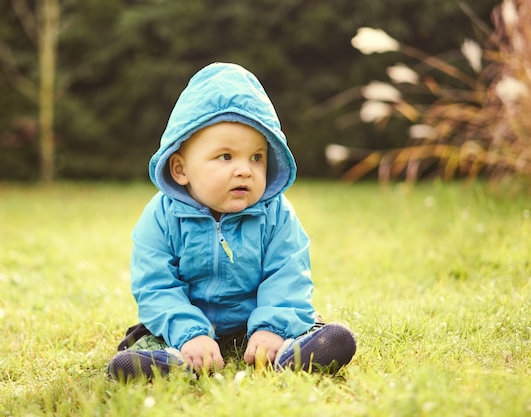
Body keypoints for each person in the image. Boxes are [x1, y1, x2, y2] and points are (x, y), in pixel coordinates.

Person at [107, 62, 356, 381]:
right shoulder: (161, 217)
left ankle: (294, 351)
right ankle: (170, 362)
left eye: (257, 157)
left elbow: (288, 273)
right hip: (184, 324)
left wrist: (271, 327)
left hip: (259, 318)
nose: (245, 170)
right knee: (146, 338)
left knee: (306, 324)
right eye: (226, 156)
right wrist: (189, 333)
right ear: (180, 169)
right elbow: (155, 285)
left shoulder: (276, 214)